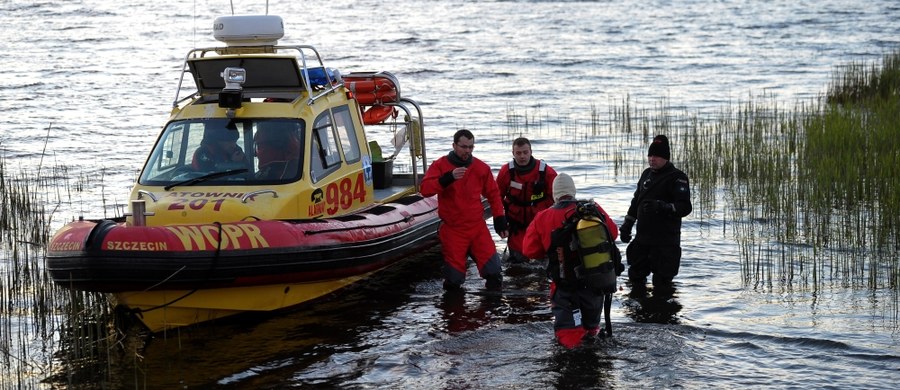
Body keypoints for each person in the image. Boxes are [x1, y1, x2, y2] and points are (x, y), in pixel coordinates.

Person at [522, 173, 618, 348]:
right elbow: (613, 233)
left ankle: (573, 367)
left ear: (554, 194)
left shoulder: (543, 217)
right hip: (594, 285)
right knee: (591, 334)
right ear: (573, 191)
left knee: (569, 339)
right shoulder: (591, 209)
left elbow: (529, 250)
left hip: (565, 288)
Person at [420, 129, 509, 291]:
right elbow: (425, 189)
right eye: (463, 147)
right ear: (454, 145)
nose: (467, 151)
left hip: (477, 227)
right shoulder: (440, 165)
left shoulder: (481, 168)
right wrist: (448, 178)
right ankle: (453, 314)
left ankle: (492, 313)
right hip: (453, 229)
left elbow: (494, 194)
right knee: (454, 280)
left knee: (494, 273)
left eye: (471, 147)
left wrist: (499, 218)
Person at [618, 134, 692, 292]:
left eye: (656, 156)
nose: (652, 159)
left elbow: (685, 207)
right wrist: (627, 224)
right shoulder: (646, 174)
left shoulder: (677, 178)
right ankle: (638, 313)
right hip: (643, 239)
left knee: (662, 285)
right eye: (650, 155)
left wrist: (663, 206)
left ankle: (663, 314)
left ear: (665, 158)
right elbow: (635, 201)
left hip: (665, 242)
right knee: (636, 279)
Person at [495, 137, 558, 263]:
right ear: (513, 153)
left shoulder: (546, 171)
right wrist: (499, 220)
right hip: (517, 226)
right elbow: (496, 197)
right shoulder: (506, 172)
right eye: (518, 153)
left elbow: (558, 199)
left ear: (531, 151)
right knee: (518, 265)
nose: (522, 156)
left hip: (539, 225)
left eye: (525, 152)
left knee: (544, 263)